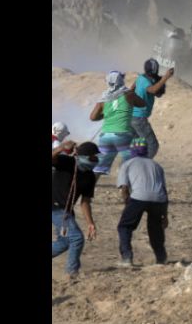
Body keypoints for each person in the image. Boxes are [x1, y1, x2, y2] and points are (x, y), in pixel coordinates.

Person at [116, 138, 169, 266]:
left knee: (124, 226)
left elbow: (124, 188)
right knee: (155, 229)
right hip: (159, 200)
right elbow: (164, 190)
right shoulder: (156, 165)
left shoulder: (127, 164)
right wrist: (165, 215)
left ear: (132, 149)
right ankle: (161, 258)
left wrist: (127, 204)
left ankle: (127, 257)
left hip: (139, 198)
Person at [52, 141, 100, 279]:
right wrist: (61, 148)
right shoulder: (67, 162)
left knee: (64, 242)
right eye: (92, 157)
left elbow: (85, 202)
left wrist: (90, 223)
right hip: (54, 207)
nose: (95, 160)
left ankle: (71, 271)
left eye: (96, 157)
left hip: (66, 210)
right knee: (77, 237)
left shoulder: (90, 176)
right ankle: (71, 273)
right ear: (82, 156)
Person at [90, 71, 146, 176]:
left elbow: (93, 117)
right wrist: (132, 93)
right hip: (123, 135)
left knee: (99, 168)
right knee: (130, 164)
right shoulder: (129, 94)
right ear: (121, 81)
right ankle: (125, 188)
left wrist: (106, 114)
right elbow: (142, 104)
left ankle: (90, 188)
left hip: (105, 136)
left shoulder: (103, 98)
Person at [131, 59, 173, 159]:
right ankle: (143, 165)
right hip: (139, 118)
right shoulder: (146, 82)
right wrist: (166, 77)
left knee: (138, 146)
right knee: (153, 145)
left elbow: (132, 88)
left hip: (131, 116)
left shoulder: (140, 78)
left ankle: (129, 165)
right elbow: (153, 89)